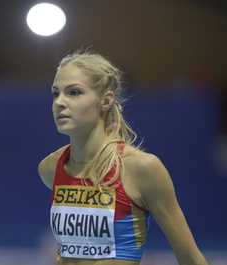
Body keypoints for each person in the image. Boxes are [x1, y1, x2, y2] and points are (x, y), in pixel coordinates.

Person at [38, 51, 208, 265]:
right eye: (55, 93)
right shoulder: (50, 168)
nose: (60, 102)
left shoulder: (142, 168)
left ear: (105, 101)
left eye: (74, 92)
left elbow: (191, 259)